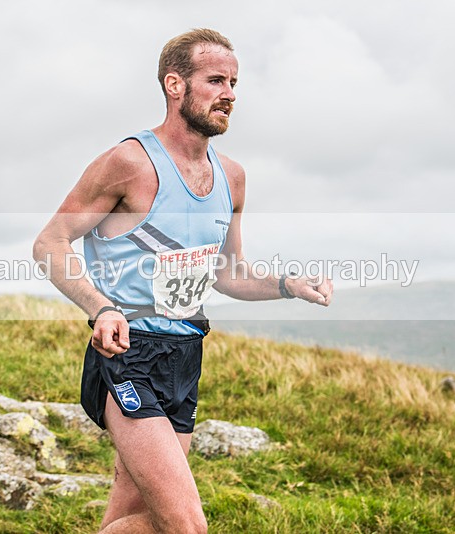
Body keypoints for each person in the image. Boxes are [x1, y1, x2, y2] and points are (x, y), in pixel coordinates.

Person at [33, 29, 333, 533]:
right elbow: (51, 242)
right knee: (187, 526)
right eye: (216, 80)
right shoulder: (129, 163)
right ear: (175, 85)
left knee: (139, 519)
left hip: (185, 357)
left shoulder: (232, 177)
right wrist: (100, 307)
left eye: (234, 83)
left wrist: (287, 284)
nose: (229, 94)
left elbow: (228, 273)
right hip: (127, 353)